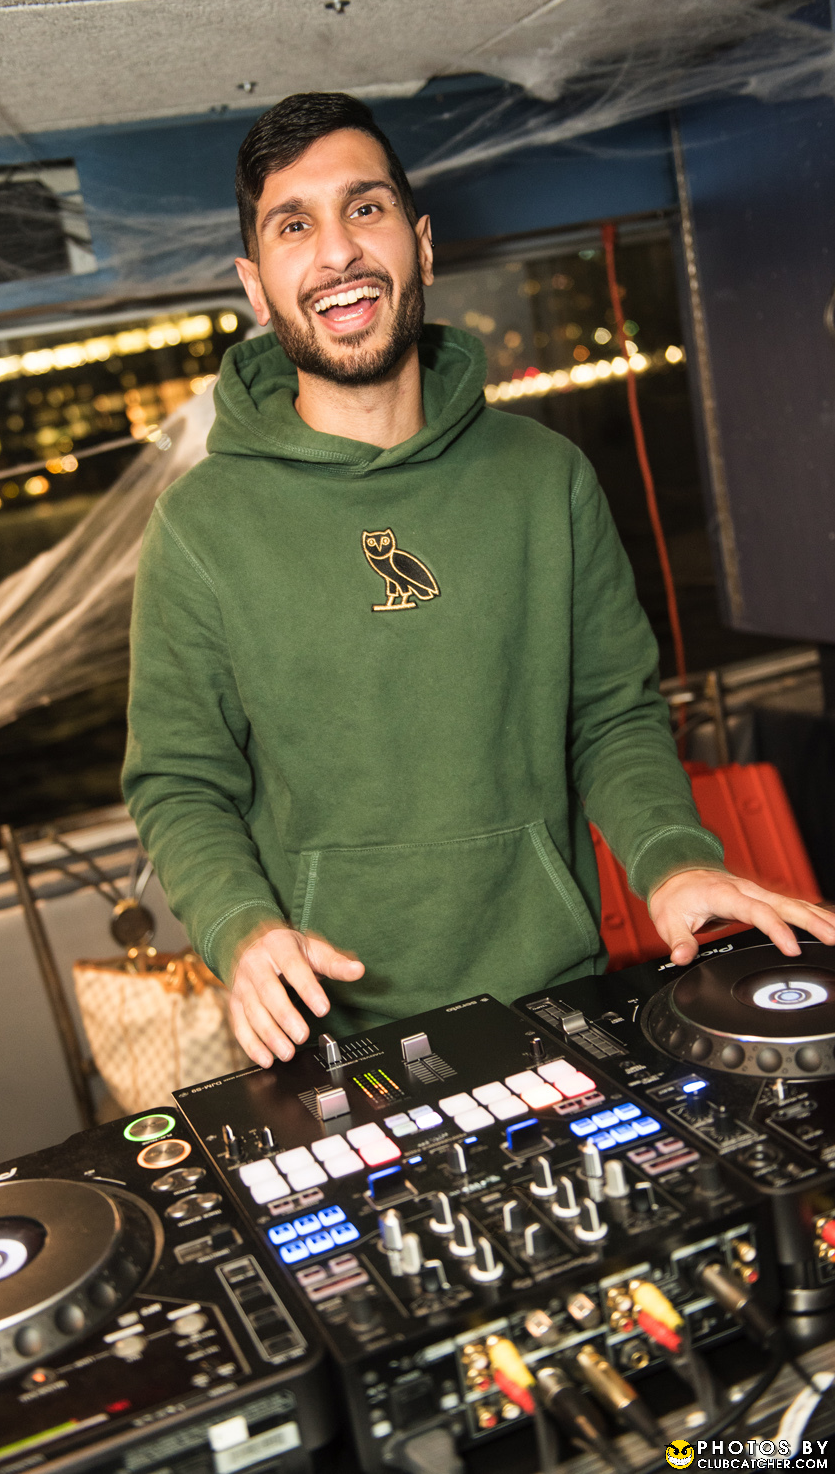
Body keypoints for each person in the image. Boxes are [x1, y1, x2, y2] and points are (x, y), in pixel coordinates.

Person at [123, 91, 835, 1067]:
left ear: (420, 245)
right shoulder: (199, 525)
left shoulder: (545, 477)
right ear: (255, 285)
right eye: (294, 225)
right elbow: (178, 781)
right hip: (335, 1035)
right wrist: (239, 928)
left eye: (364, 208)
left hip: (558, 998)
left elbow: (610, 714)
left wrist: (672, 862)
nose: (337, 252)